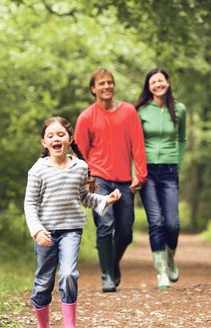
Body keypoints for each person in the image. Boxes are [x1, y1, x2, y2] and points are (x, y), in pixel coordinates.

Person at [24, 116, 122, 328]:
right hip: (46, 233)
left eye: (61, 134)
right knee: (43, 283)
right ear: (44, 142)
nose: (56, 138)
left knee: (68, 274)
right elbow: (29, 204)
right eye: (50, 136)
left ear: (69, 139)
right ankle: (43, 325)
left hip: (71, 230)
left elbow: (84, 197)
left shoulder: (80, 167)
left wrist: (106, 200)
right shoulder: (37, 170)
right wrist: (37, 230)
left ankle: (70, 325)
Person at [74, 68, 147, 292]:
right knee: (105, 225)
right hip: (99, 180)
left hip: (124, 180)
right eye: (102, 83)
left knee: (125, 231)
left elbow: (138, 144)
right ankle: (106, 275)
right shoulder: (87, 117)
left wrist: (140, 174)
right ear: (93, 89)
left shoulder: (128, 112)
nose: (107, 86)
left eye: (110, 82)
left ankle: (112, 264)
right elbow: (79, 153)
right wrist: (85, 181)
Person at [134, 67, 187, 289]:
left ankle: (170, 258)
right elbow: (135, 143)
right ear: (148, 86)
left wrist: (177, 160)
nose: (158, 85)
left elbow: (182, 138)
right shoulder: (141, 111)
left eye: (161, 81)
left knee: (172, 224)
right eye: (153, 82)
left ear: (168, 82)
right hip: (147, 172)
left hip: (169, 171)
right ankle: (161, 272)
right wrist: (135, 171)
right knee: (155, 222)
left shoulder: (180, 109)